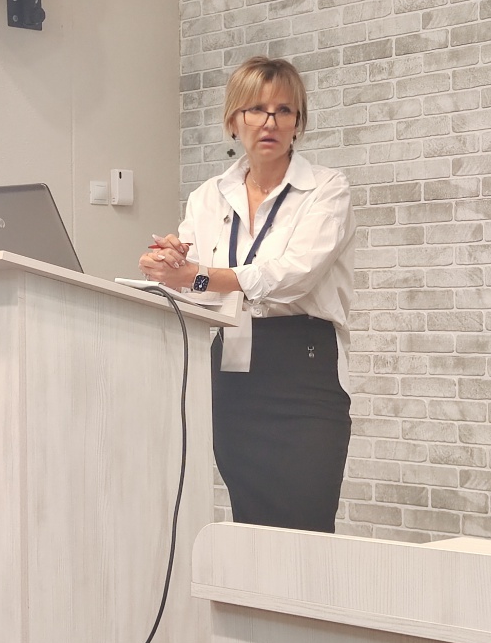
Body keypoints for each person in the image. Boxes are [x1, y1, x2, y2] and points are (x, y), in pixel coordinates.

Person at [138, 56, 356, 534]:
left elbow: (293, 275)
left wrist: (197, 276)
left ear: (298, 122)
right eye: (256, 109)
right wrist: (167, 265)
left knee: (306, 529)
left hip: (304, 372)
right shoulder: (208, 197)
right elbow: (196, 288)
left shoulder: (326, 189)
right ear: (233, 121)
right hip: (232, 375)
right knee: (249, 528)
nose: (270, 122)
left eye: (284, 110)